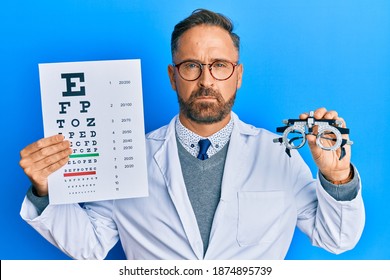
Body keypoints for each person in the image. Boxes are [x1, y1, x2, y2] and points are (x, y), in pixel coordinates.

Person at [19, 9, 364, 260]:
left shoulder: (279, 154)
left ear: (238, 75)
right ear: (172, 76)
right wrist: (43, 191)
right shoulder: (127, 158)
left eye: (219, 65)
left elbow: (336, 239)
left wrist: (336, 177)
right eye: (191, 66)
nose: (206, 80)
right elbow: (89, 244)